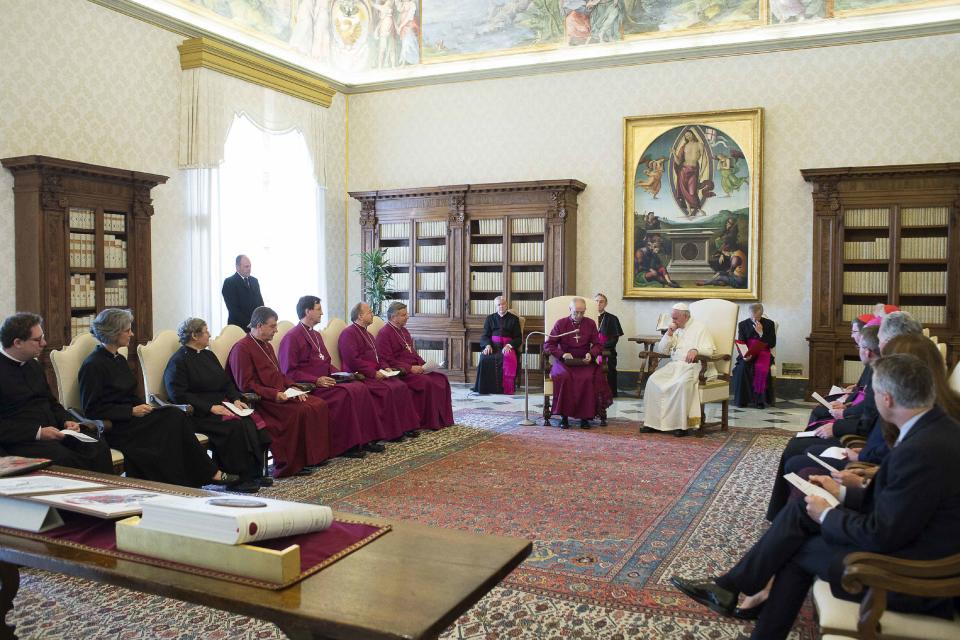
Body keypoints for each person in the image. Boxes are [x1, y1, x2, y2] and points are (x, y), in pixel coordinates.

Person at [672, 353, 960, 640]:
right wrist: (842, 493)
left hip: (915, 575)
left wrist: (827, 514)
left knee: (799, 551)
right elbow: (901, 503)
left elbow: (882, 533)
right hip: (911, 538)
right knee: (800, 513)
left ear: (887, 399)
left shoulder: (920, 450)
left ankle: (746, 606)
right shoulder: (936, 429)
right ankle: (728, 587)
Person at [79, 309, 234, 488]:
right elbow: (91, 409)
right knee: (172, 420)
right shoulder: (92, 365)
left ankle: (195, 478)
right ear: (114, 332)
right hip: (117, 426)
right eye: (128, 330)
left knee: (174, 415)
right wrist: (130, 411)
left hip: (133, 418)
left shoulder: (119, 359)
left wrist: (142, 407)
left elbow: (129, 395)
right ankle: (202, 475)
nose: (132, 334)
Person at [164, 317, 272, 493]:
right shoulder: (178, 361)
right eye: (206, 332)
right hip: (198, 413)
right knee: (234, 426)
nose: (210, 335)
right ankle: (236, 479)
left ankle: (254, 473)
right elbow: (178, 394)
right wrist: (210, 408)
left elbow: (226, 382)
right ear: (194, 335)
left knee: (250, 421)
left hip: (222, 405)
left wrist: (236, 399)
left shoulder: (208, 355)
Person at [0, 312, 112, 473]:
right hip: (22, 440)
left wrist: (66, 420)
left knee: (97, 446)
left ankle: (107, 495)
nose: (44, 343)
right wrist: (38, 433)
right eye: (37, 340)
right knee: (65, 459)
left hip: (55, 431)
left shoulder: (34, 365)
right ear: (17, 342)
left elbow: (51, 402)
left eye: (43, 337)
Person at [278, 295, 387, 458]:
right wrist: (316, 380)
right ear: (308, 312)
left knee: (360, 388)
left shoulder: (315, 335)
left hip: (328, 381)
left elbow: (326, 362)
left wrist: (343, 374)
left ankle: (365, 439)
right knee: (345, 395)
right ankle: (346, 446)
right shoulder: (292, 337)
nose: (322, 313)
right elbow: (289, 371)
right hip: (311, 386)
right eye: (319, 310)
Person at [227, 306, 330, 478]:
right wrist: (274, 394)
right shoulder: (241, 349)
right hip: (263, 402)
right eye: (273, 326)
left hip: (280, 394)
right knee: (300, 411)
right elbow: (245, 385)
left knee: (317, 404)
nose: (276, 330)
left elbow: (279, 374)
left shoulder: (266, 346)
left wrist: (293, 387)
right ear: (259, 326)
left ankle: (309, 458)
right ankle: (290, 464)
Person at [338, 302, 419, 439]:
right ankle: (390, 432)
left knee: (400, 385)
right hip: (360, 375)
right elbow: (353, 360)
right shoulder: (348, 333)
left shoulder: (368, 335)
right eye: (369, 312)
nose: (373, 315)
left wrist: (384, 367)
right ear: (360, 315)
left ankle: (404, 427)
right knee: (388, 389)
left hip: (376, 372)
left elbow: (379, 357)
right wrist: (373, 372)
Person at [641, 302, 717, 437]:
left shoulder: (700, 328)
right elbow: (663, 350)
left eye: (675, 318)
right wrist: (669, 334)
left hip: (694, 366)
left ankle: (680, 425)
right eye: (672, 318)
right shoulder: (675, 329)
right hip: (675, 366)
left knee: (680, 385)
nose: (673, 321)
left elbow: (710, 350)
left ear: (685, 317)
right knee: (653, 380)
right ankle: (653, 423)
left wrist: (696, 349)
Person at [376, 302, 454, 430]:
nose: (407, 317)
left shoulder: (404, 331)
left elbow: (413, 353)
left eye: (406, 314)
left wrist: (424, 365)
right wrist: (410, 368)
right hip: (402, 372)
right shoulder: (384, 334)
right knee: (426, 382)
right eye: (404, 315)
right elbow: (387, 359)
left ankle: (441, 419)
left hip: (416, 367)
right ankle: (427, 422)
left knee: (441, 378)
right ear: (394, 317)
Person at [543, 297, 610, 429]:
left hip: (584, 361)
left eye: (582, 312)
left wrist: (591, 354)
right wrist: (562, 354)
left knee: (588, 378)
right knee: (564, 377)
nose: (579, 316)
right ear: (570, 310)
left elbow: (597, 344)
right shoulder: (561, 323)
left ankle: (585, 417)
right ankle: (564, 417)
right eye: (576, 312)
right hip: (565, 362)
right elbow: (548, 345)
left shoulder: (590, 323)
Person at [472, 296, 522, 395]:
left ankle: (506, 389)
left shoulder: (514, 319)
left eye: (503, 304)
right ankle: (486, 388)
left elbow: (518, 338)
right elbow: (485, 335)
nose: (501, 306)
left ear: (506, 304)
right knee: (484, 358)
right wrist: (487, 345)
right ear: (495, 306)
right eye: (499, 305)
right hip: (493, 346)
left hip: (506, 346)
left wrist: (509, 345)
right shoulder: (490, 318)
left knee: (508, 358)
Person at [731, 303, 776, 408]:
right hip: (748, 353)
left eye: (758, 318)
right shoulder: (742, 324)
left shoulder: (769, 324)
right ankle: (742, 400)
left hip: (763, 353)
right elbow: (741, 341)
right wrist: (745, 355)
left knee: (760, 368)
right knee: (742, 368)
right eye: (753, 317)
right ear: (749, 314)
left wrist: (761, 334)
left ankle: (759, 401)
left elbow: (772, 343)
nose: (755, 320)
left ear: (762, 314)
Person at [221, 255, 264, 332]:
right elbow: (233, 309)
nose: (249, 269)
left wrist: (262, 320)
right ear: (237, 267)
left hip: (256, 327)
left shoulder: (254, 281)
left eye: (250, 266)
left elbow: (260, 303)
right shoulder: (229, 282)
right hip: (238, 327)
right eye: (246, 267)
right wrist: (252, 324)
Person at [594, 293, 624, 397]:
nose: (598, 303)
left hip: (606, 350)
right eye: (596, 301)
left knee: (609, 367)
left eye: (601, 301)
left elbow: (614, 339)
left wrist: (600, 349)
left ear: (606, 304)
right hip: (590, 350)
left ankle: (610, 393)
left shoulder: (612, 318)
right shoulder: (587, 317)